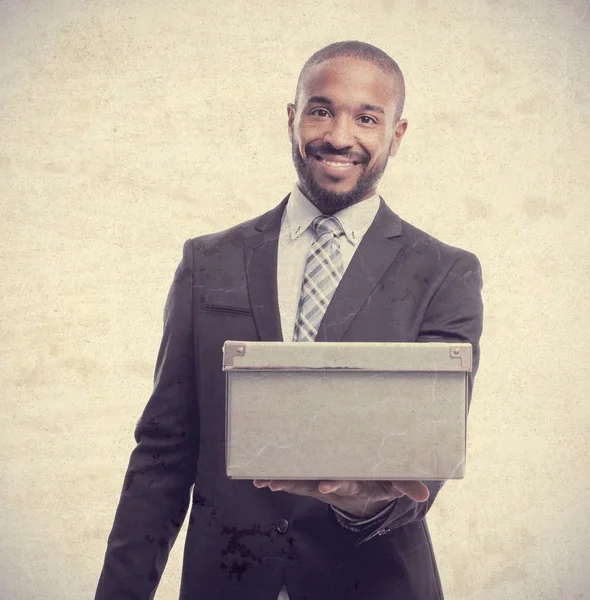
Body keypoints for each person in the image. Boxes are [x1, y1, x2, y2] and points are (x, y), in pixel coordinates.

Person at [95, 41, 484, 600]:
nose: (339, 136)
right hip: (225, 581)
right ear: (293, 117)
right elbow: (162, 452)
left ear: (396, 135)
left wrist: (361, 502)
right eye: (321, 109)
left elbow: (430, 453)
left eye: (367, 118)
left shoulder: (445, 273)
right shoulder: (208, 261)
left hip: (373, 584)